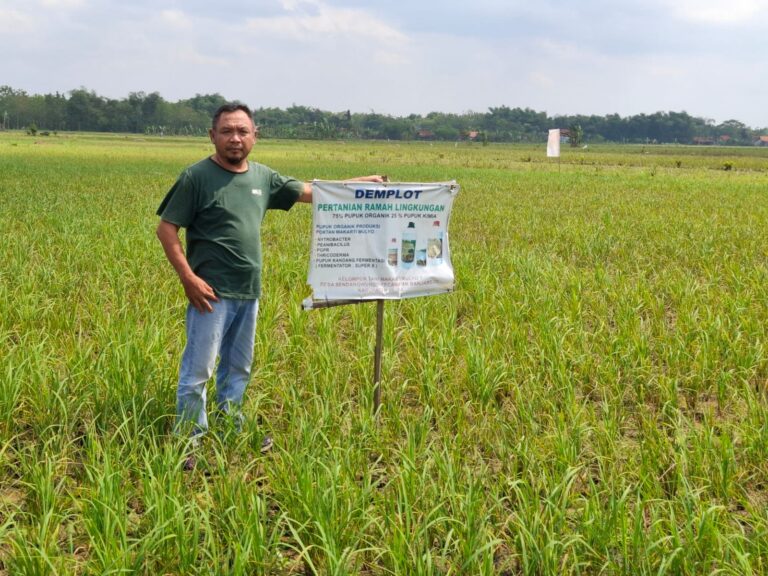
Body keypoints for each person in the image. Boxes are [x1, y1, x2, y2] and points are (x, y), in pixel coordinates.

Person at [156, 102, 383, 466]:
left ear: (255, 136)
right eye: (227, 131)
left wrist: (359, 186)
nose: (235, 138)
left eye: (242, 132)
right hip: (210, 293)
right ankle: (189, 440)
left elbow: (310, 191)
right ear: (212, 136)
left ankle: (230, 424)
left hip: (249, 291)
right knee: (199, 369)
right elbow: (167, 229)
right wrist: (189, 279)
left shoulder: (263, 177)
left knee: (238, 367)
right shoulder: (196, 177)